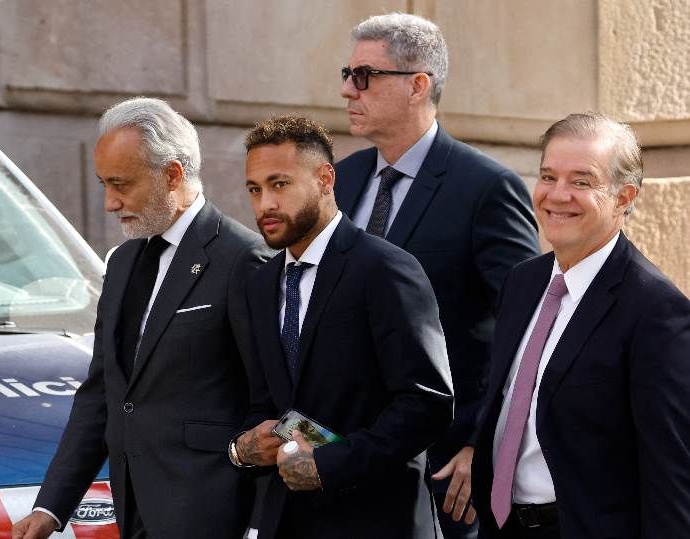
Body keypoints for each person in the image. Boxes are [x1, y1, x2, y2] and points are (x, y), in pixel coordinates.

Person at [11, 97, 269, 539]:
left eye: (121, 184)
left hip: (214, 517)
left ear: (173, 175)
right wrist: (51, 506)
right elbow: (103, 392)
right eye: (103, 184)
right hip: (133, 512)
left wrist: (258, 525)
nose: (110, 203)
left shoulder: (243, 259)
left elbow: (270, 401)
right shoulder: (122, 262)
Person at [333, 13, 541, 537]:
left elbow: (527, 324)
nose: (347, 90)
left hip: (445, 468)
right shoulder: (345, 177)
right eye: (347, 74)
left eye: (363, 76)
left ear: (417, 85)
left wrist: (483, 444)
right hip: (345, 457)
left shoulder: (486, 188)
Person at [233, 114, 454, 538]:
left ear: (325, 179)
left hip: (380, 521)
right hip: (287, 520)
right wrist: (243, 448)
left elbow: (426, 404)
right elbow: (265, 403)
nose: (265, 205)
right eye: (255, 190)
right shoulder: (260, 283)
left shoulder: (385, 268)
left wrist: (330, 464)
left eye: (280, 184)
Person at [471, 112, 690, 538]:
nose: (557, 195)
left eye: (581, 181)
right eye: (548, 176)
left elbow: (671, 475)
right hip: (501, 525)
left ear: (624, 197)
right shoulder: (523, 282)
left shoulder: (657, 312)